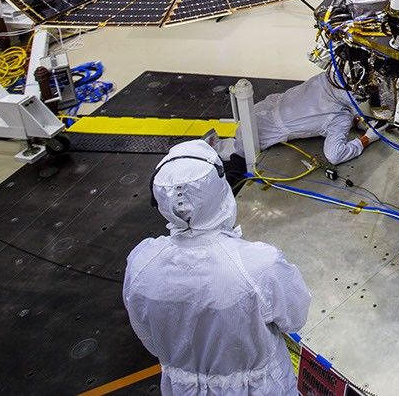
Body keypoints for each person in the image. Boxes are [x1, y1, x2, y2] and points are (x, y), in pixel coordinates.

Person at [124, 139, 311, 395]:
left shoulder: (141, 263)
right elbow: (295, 317)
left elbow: (148, 337)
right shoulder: (258, 265)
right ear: (218, 190)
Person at [216, 70, 379, 165]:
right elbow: (334, 155)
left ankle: (214, 150)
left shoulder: (327, 76)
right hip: (261, 136)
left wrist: (356, 120)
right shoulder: (340, 118)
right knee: (238, 155)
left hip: (260, 109)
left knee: (232, 145)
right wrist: (366, 139)